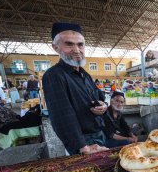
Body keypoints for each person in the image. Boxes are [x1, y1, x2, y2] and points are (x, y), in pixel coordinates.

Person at [42, 22, 108, 155]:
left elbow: (100, 97)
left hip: (98, 134)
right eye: (69, 44)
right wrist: (81, 147)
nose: (77, 50)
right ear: (56, 47)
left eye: (80, 44)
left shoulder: (85, 74)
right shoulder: (54, 75)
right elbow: (62, 116)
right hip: (83, 142)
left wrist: (103, 105)